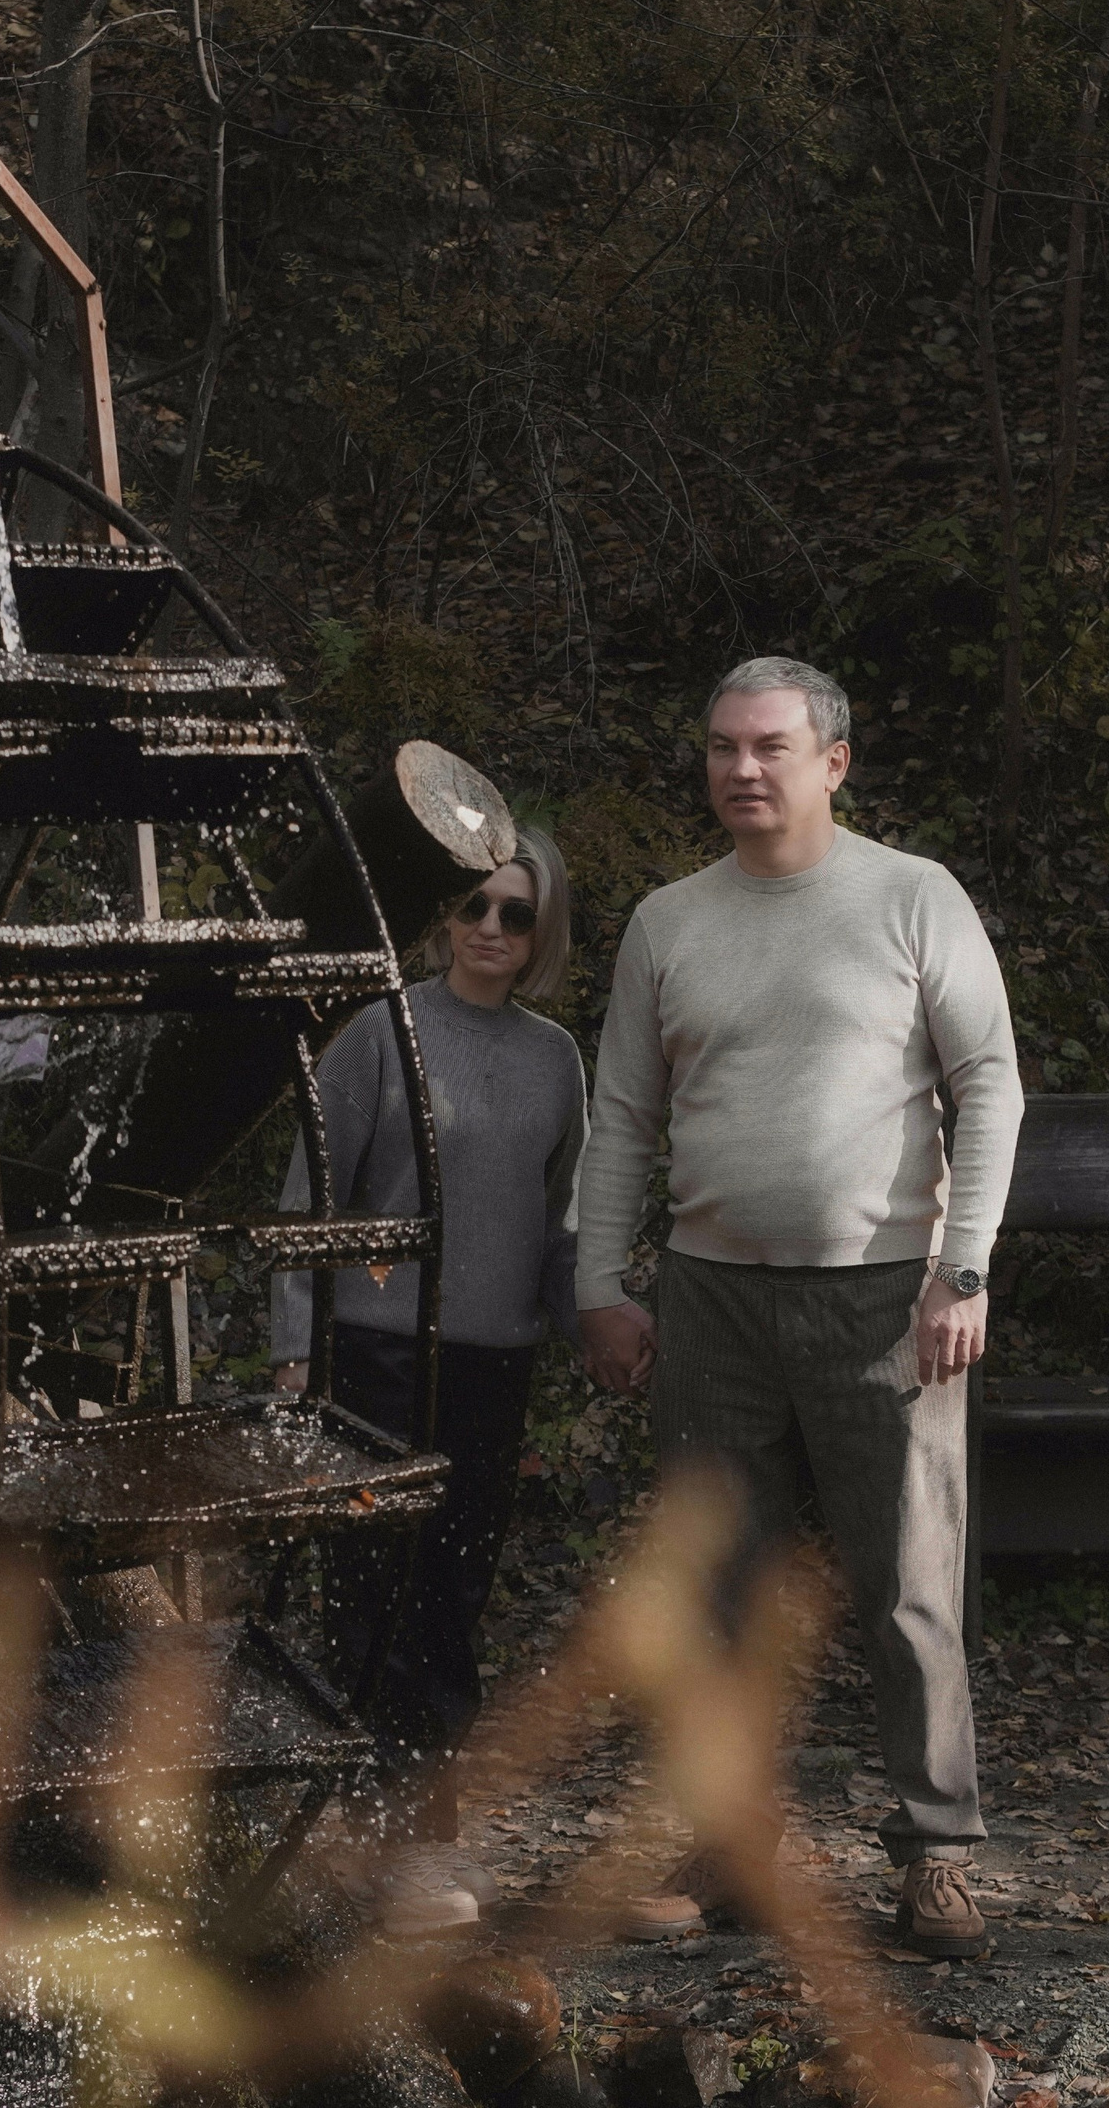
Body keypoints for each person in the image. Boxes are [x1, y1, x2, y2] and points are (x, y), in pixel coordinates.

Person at [576, 656, 1023, 1960]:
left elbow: (988, 1080)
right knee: (715, 1588)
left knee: (906, 1587)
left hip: (889, 1300)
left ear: (834, 759)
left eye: (769, 745)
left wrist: (964, 1264)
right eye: (722, 746)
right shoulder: (668, 920)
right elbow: (621, 1118)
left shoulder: (911, 897)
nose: (741, 768)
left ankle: (935, 1854)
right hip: (711, 1304)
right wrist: (601, 1280)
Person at [271, 827, 589, 1935]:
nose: (491, 930)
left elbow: (559, 1221)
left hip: (492, 1362)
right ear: (443, 917)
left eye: (515, 913)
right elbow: (313, 1192)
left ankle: (427, 1831)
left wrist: (594, 1319)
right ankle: (371, 1836)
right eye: (474, 909)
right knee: (371, 1593)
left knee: (452, 1593)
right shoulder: (381, 1030)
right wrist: (297, 1341)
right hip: (377, 1352)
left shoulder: (555, 1057)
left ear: (542, 929)